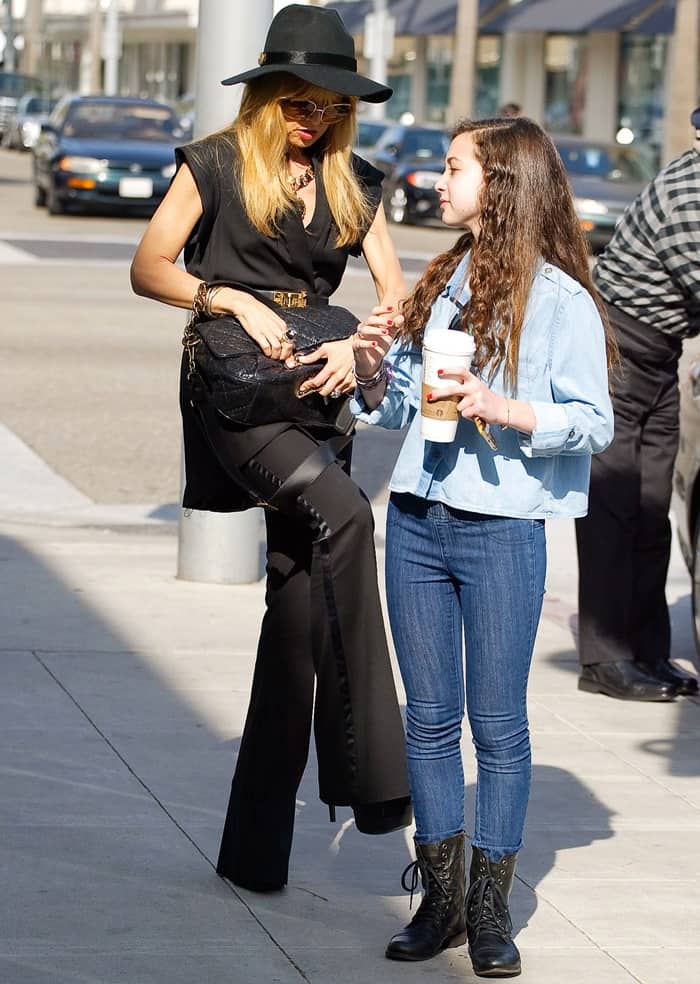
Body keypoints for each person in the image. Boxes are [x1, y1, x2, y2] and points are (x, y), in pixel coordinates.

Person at [130, 3, 412, 894]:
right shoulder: (215, 163)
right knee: (346, 514)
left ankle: (253, 853)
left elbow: (394, 301)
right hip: (239, 396)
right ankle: (373, 772)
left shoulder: (352, 180)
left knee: (294, 617)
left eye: (329, 106)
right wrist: (229, 298)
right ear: (265, 96)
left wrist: (361, 344)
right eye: (298, 102)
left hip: (319, 397)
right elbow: (148, 268)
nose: (313, 119)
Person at [351, 117, 615, 976]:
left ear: (500, 182)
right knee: (428, 722)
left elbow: (593, 423)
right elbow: (400, 409)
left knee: (497, 726)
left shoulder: (563, 302)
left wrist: (504, 409)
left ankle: (491, 907)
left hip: (502, 534)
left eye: (455, 167)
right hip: (419, 522)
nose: (438, 179)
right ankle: (442, 900)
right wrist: (367, 369)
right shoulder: (445, 277)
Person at [575, 107, 700, 701]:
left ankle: (649, 651)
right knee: (614, 508)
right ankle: (604, 659)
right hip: (622, 346)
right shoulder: (690, 192)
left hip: (659, 351)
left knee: (652, 507)